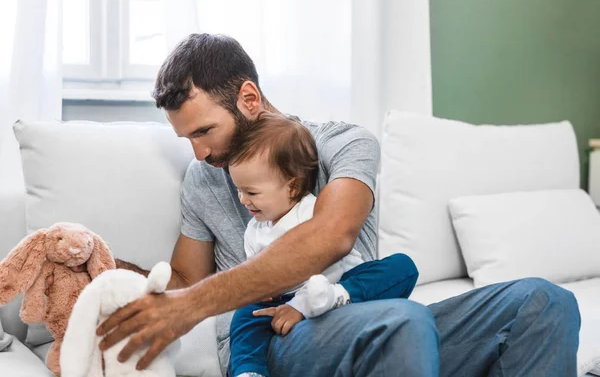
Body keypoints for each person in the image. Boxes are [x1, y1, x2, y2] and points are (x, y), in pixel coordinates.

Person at [46, 33, 579, 376]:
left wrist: (190, 307)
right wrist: (103, 262)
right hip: (278, 333)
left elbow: (332, 236)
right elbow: (186, 278)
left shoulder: (346, 143)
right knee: (402, 323)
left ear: (249, 99)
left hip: (361, 314)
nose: (200, 152)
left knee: (544, 302)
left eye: (204, 130)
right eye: (187, 138)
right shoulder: (202, 179)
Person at [226, 112, 419, 377]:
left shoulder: (313, 211)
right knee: (245, 316)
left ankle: (336, 298)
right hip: (287, 298)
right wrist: (260, 292)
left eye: (251, 192)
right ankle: (249, 372)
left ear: (292, 187)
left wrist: (304, 305)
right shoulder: (254, 230)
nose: (242, 200)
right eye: (239, 190)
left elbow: (329, 257)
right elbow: (255, 272)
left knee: (402, 267)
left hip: (338, 283)